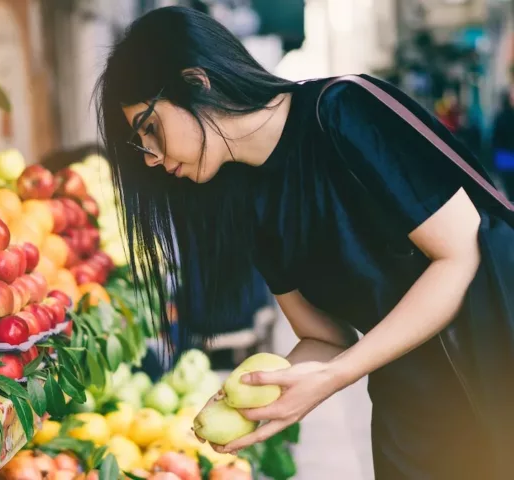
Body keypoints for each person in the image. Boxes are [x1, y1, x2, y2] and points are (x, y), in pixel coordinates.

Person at [95, 6, 514, 479]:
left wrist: (338, 376)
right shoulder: (249, 201)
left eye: (149, 128)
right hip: (414, 411)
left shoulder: (344, 110)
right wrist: (265, 392)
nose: (150, 158)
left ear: (196, 81)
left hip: (497, 363)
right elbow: (324, 336)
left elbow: (460, 255)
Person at [492, 89, 514, 198]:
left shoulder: (500, 116)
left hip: (504, 158)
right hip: (506, 158)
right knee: (510, 188)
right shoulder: (502, 117)